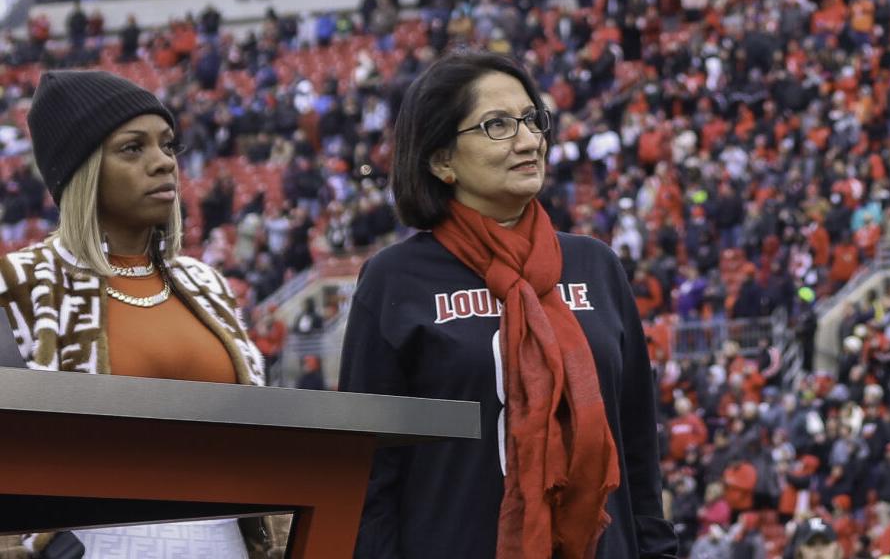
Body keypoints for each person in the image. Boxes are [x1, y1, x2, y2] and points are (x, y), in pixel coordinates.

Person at [338, 49, 677, 559]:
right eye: (496, 125)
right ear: (441, 159)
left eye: (531, 119)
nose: (527, 141)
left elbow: (637, 455)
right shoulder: (394, 281)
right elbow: (370, 474)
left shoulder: (596, 267)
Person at [0, 71, 284, 559]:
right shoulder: (18, 286)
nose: (163, 164)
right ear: (82, 168)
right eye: (133, 149)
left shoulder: (206, 284)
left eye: (168, 145)